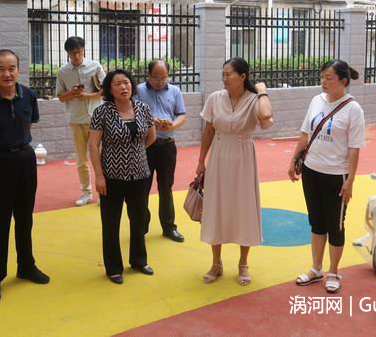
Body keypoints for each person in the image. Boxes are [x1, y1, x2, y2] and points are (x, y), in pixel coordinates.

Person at [0, 49, 50, 303]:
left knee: (25, 217)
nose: (7, 73)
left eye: (11, 68)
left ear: (18, 70)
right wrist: (1, 143)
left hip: (25, 159)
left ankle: (26, 266)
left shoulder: (28, 95)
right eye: (1, 68)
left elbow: (29, 122)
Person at [288, 59, 365, 294]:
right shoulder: (316, 101)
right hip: (311, 170)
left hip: (336, 175)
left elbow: (354, 148)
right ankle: (316, 269)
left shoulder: (353, 109)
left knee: (335, 225)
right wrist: (294, 159)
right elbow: (305, 133)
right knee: (317, 222)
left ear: (343, 81)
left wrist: (350, 181)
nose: (323, 81)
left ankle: (333, 272)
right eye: (322, 77)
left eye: (329, 78)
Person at [195, 58, 273, 286]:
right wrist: (201, 161)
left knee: (244, 207)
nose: (224, 78)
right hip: (219, 154)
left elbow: (266, 116)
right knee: (216, 206)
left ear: (243, 76)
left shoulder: (254, 100)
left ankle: (243, 263)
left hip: (243, 157)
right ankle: (216, 263)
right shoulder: (215, 98)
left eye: (229, 74)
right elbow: (208, 131)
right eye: (223, 74)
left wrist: (262, 91)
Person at [88, 69, 157, 284]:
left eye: (126, 82)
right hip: (111, 176)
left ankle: (139, 260)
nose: (123, 87)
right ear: (110, 89)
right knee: (111, 223)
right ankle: (113, 267)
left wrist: (135, 153)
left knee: (139, 220)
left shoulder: (143, 108)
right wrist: (99, 175)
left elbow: (151, 137)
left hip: (140, 175)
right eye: (117, 84)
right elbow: (93, 145)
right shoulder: (102, 112)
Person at [136, 60, 187, 242]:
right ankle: (141, 227)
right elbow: (133, 112)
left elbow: (182, 114)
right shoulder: (138, 90)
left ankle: (169, 227)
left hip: (167, 145)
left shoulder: (175, 91)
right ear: (148, 75)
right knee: (143, 188)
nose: (159, 81)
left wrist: (172, 124)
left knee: (166, 187)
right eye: (155, 77)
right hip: (145, 146)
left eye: (164, 78)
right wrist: (151, 120)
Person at [56, 36, 106, 206]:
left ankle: (103, 193)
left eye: (78, 52)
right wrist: (71, 93)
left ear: (83, 50)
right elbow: (60, 97)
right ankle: (86, 192)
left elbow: (105, 91)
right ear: (67, 53)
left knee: (101, 156)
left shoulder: (95, 66)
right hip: (76, 119)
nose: (76, 56)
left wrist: (87, 96)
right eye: (72, 53)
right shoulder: (63, 72)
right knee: (81, 159)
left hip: (97, 119)